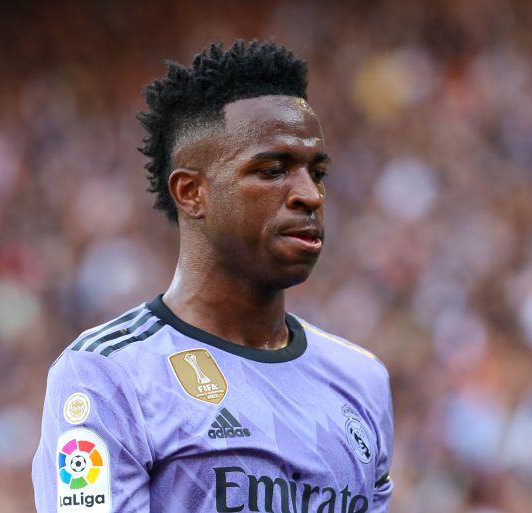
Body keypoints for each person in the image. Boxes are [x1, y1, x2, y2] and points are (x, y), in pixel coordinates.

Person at [31, 39, 394, 513]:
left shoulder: (361, 378)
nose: (311, 195)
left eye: (317, 172)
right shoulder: (108, 375)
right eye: (272, 170)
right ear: (191, 193)